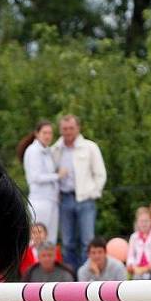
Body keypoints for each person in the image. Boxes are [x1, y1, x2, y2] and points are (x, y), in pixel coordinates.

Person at [51, 115, 106, 272]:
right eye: (64, 129)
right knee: (67, 242)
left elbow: (100, 174)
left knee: (87, 241)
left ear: (78, 128)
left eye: (71, 128)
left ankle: (86, 277)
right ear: (60, 130)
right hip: (65, 198)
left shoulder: (90, 147)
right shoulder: (55, 150)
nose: (68, 132)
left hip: (85, 199)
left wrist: (92, 192)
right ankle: (71, 279)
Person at [16, 120, 65, 242]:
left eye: (50, 133)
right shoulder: (33, 151)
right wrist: (57, 176)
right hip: (40, 201)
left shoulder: (46, 151)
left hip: (51, 200)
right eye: (45, 133)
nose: (48, 136)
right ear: (37, 134)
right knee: (37, 239)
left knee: (50, 239)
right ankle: (33, 261)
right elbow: (36, 177)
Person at [126, 206, 151, 280]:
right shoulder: (133, 237)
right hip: (138, 268)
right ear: (137, 222)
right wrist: (132, 265)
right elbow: (130, 256)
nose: (144, 224)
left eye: (146, 221)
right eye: (141, 221)